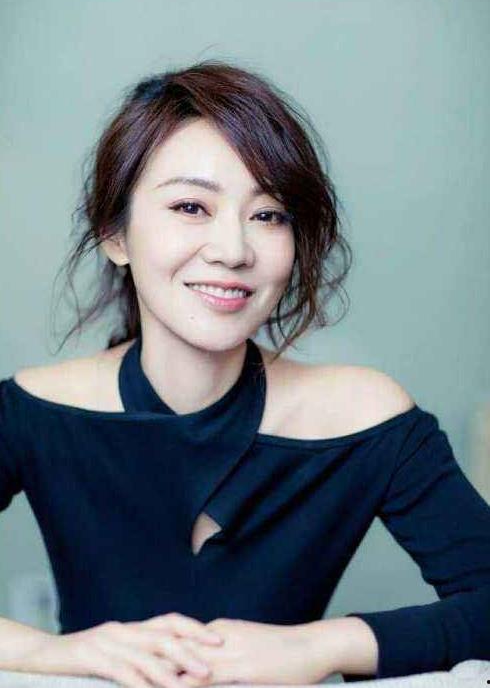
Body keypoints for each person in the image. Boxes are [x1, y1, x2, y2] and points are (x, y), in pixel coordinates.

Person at [0, 60, 489, 688]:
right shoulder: (34, 411)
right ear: (115, 235)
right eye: (190, 206)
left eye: (269, 215)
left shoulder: (365, 417)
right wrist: (62, 654)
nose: (233, 250)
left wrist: (321, 646)